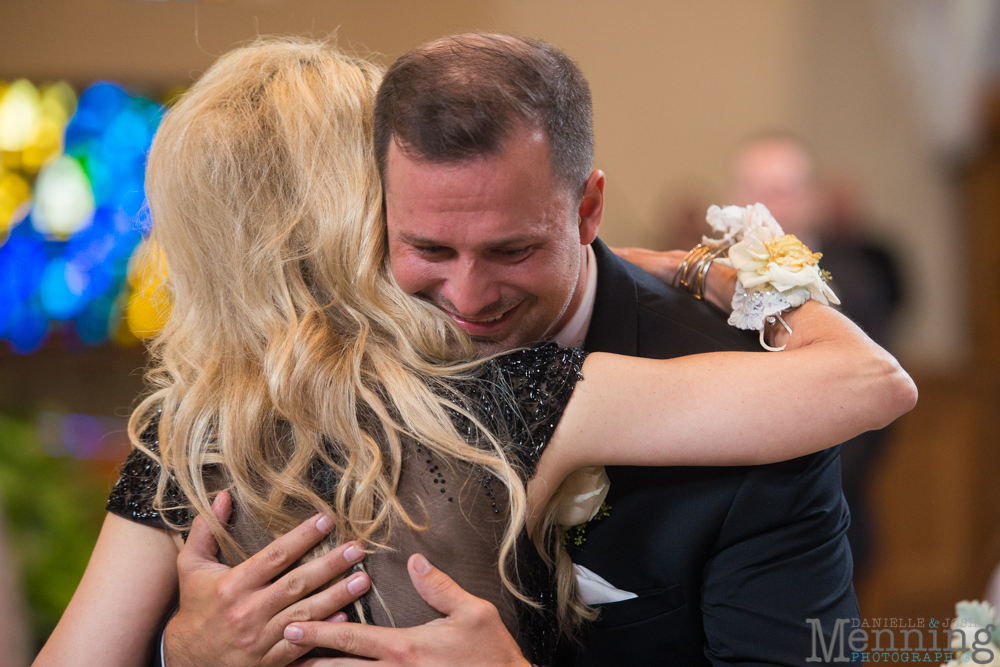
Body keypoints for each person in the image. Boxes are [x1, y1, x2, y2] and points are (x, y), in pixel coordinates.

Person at [33, 38, 916, 667]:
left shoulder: (185, 437)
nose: (465, 293)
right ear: (363, 208)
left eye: (510, 247)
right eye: (426, 241)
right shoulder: (517, 392)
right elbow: (867, 379)